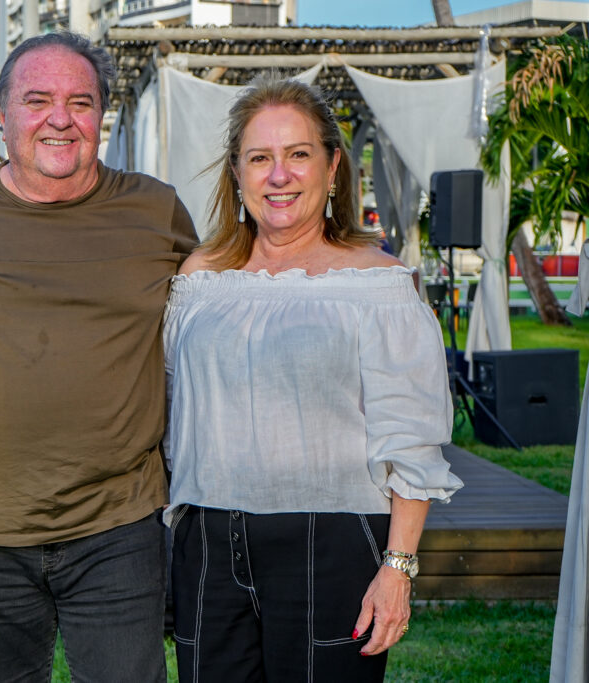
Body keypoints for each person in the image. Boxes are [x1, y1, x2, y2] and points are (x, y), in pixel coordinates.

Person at [163, 76, 463, 682]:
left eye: (298, 155)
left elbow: (411, 440)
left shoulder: (377, 284)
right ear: (237, 174)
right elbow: (172, 403)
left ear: (332, 170)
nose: (279, 175)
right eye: (260, 158)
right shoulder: (200, 279)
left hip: (331, 545)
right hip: (208, 545)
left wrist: (397, 568)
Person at [0, 31, 198, 683]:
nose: (59, 118)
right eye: (37, 98)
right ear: (3, 113)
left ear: (100, 115)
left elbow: (231, 295)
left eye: (80, 101)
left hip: (119, 523)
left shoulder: (155, 211)